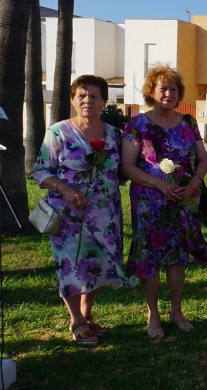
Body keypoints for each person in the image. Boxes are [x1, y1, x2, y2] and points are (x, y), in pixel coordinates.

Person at [32, 75, 136, 346]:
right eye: (81, 95)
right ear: (73, 99)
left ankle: (88, 314)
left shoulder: (114, 134)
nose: (87, 100)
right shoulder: (58, 132)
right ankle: (76, 320)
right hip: (68, 216)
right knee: (71, 266)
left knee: (101, 264)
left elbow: (124, 169)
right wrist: (67, 190)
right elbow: (40, 169)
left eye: (94, 95)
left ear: (104, 101)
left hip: (106, 215)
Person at [121, 63, 207, 340]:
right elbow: (128, 166)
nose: (169, 93)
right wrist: (161, 185)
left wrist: (194, 185)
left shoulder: (188, 123)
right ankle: (153, 314)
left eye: (174, 89)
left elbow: (202, 159)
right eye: (163, 88)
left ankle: (177, 311)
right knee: (149, 257)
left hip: (183, 201)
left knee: (177, 257)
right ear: (151, 91)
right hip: (149, 203)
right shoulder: (136, 124)